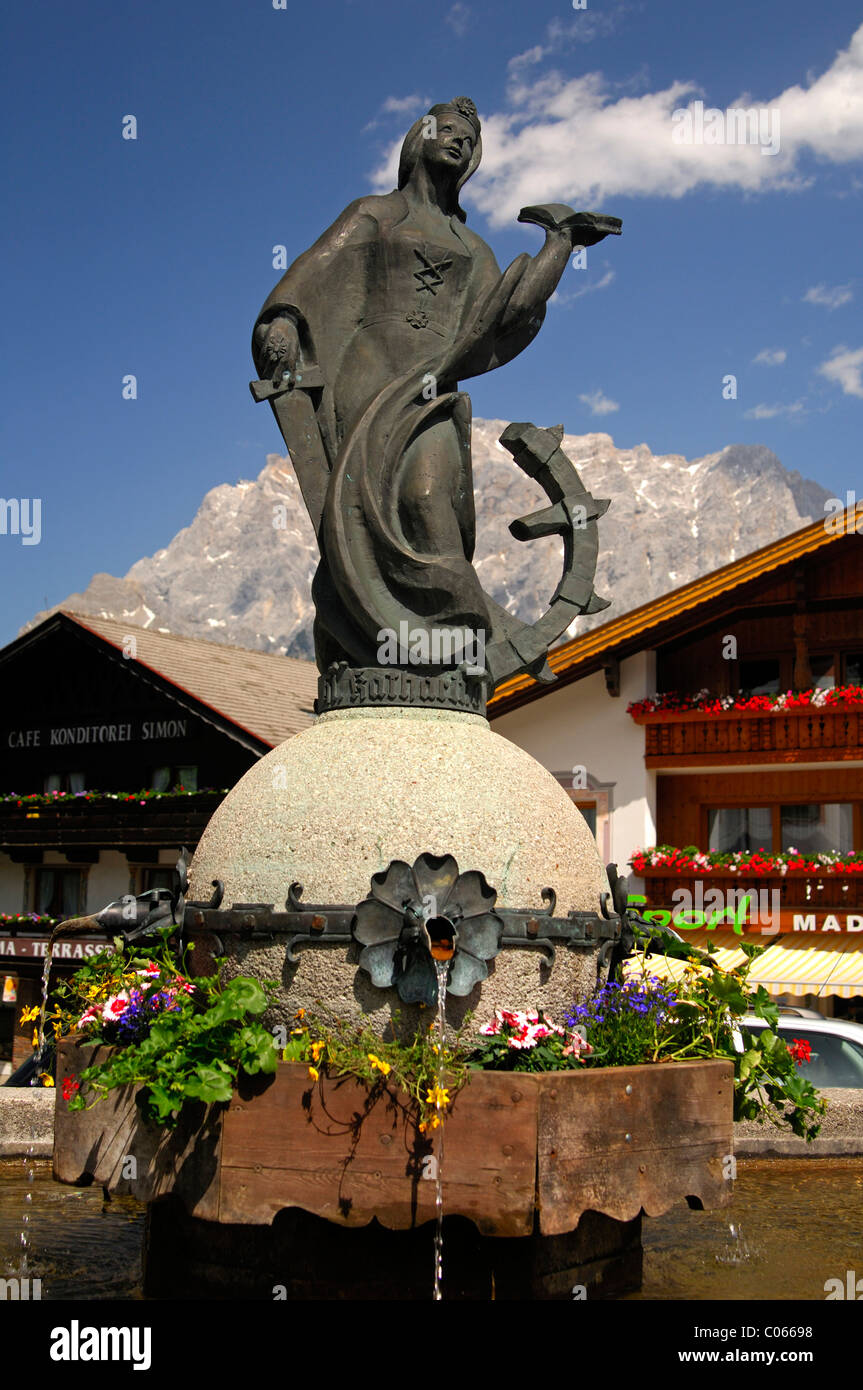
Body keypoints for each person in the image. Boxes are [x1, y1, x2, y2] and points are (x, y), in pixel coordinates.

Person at [253, 97, 616, 682]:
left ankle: (453, 637)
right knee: (356, 515)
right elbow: (314, 268)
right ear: (419, 137)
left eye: (471, 141)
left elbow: (512, 311)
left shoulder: (474, 249)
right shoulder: (375, 215)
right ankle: (370, 640)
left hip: (433, 386)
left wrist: (560, 242)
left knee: (428, 498)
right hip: (366, 381)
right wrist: (285, 319)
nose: (460, 144)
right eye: (449, 132)